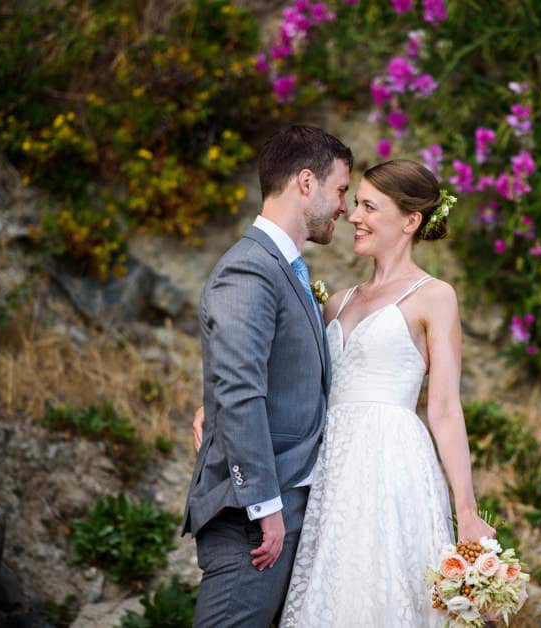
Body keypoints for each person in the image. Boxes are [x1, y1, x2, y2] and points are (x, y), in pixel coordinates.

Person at [195, 158, 496, 625]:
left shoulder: (435, 297)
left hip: (390, 468)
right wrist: (214, 407)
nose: (354, 216)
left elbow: (444, 410)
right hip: (329, 470)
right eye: (354, 203)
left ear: (410, 221)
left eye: (370, 207)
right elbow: (289, 379)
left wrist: (468, 511)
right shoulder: (337, 301)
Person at [181, 124, 352, 627]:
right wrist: (264, 508)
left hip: (279, 509)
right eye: (340, 189)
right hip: (253, 521)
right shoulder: (250, 270)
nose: (344, 206)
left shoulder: (283, 267)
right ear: (305, 182)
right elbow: (239, 390)